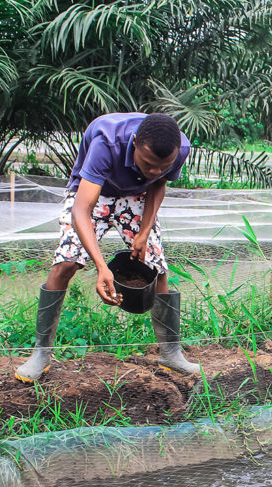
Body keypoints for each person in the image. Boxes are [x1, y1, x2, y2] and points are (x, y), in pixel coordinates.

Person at [15, 112, 200, 382]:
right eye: (148, 164)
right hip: (93, 191)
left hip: (137, 195)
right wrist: (102, 266)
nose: (154, 170)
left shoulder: (178, 148)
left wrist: (144, 232)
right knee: (66, 262)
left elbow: (158, 183)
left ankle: (171, 354)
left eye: (163, 165)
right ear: (134, 143)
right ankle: (41, 353)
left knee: (157, 267)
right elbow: (81, 210)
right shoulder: (107, 142)